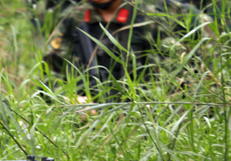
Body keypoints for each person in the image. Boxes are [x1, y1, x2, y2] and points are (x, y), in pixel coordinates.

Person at [43, 0, 209, 102]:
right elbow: (49, 79)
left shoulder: (158, 15)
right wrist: (70, 101)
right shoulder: (74, 17)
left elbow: (184, 82)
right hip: (89, 123)